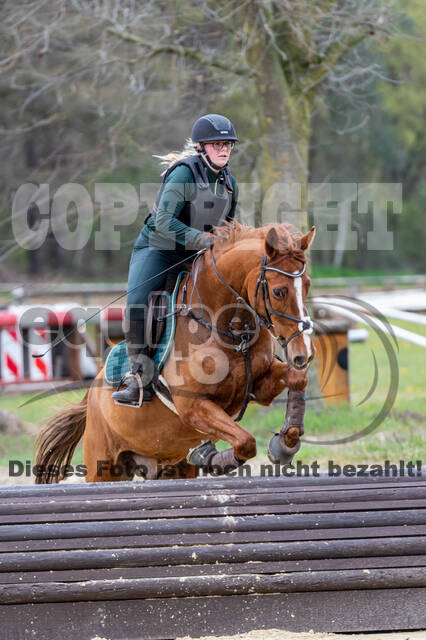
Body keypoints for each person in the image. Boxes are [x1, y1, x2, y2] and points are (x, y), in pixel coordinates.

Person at [112, 114, 239, 407]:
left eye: (228, 145)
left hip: (195, 253)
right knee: (139, 300)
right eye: (217, 144)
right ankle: (137, 379)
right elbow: (165, 222)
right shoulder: (184, 174)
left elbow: (229, 224)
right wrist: (205, 241)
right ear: (201, 148)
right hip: (158, 248)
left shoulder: (229, 182)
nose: (224, 150)